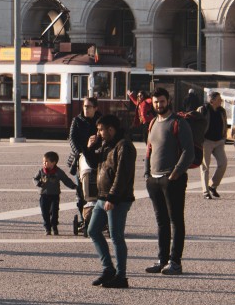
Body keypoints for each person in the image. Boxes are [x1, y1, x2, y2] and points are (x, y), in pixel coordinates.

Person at [82, 114, 136, 289]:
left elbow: (122, 175)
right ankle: (108, 269)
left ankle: (121, 276)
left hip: (117, 199)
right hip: (103, 196)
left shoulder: (124, 146)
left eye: (100, 129)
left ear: (110, 129)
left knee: (116, 237)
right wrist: (89, 148)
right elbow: (94, 162)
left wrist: (112, 197)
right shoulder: (107, 144)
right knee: (93, 230)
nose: (98, 133)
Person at [143, 87, 193, 276]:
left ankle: (175, 262)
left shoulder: (179, 122)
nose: (158, 105)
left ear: (168, 101)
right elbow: (149, 150)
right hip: (154, 180)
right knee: (161, 222)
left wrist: (176, 173)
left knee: (176, 221)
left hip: (172, 180)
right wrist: (147, 174)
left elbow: (189, 151)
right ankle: (162, 260)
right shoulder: (153, 122)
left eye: (162, 101)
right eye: (155, 102)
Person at [68, 97, 100, 226]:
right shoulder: (77, 120)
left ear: (95, 108)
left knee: (99, 190)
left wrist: (97, 142)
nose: (86, 109)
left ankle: (99, 218)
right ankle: (84, 218)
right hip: (81, 158)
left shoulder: (100, 121)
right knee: (81, 191)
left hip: (97, 158)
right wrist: (81, 151)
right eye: (85, 106)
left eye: (89, 106)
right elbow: (72, 139)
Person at [34, 151, 76, 235]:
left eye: (46, 161)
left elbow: (66, 180)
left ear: (53, 163)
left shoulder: (58, 172)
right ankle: (47, 228)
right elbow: (35, 178)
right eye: (43, 161)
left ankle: (54, 226)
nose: (44, 163)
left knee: (54, 212)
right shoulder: (41, 171)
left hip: (54, 196)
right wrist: (38, 183)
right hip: (44, 195)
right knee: (44, 212)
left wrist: (74, 186)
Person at [197, 92, 227, 200]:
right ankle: (206, 191)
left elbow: (224, 123)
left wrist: (223, 137)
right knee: (205, 167)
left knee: (223, 164)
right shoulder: (203, 109)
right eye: (219, 99)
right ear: (212, 100)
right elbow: (197, 124)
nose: (221, 101)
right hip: (206, 141)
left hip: (219, 141)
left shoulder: (221, 111)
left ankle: (213, 186)